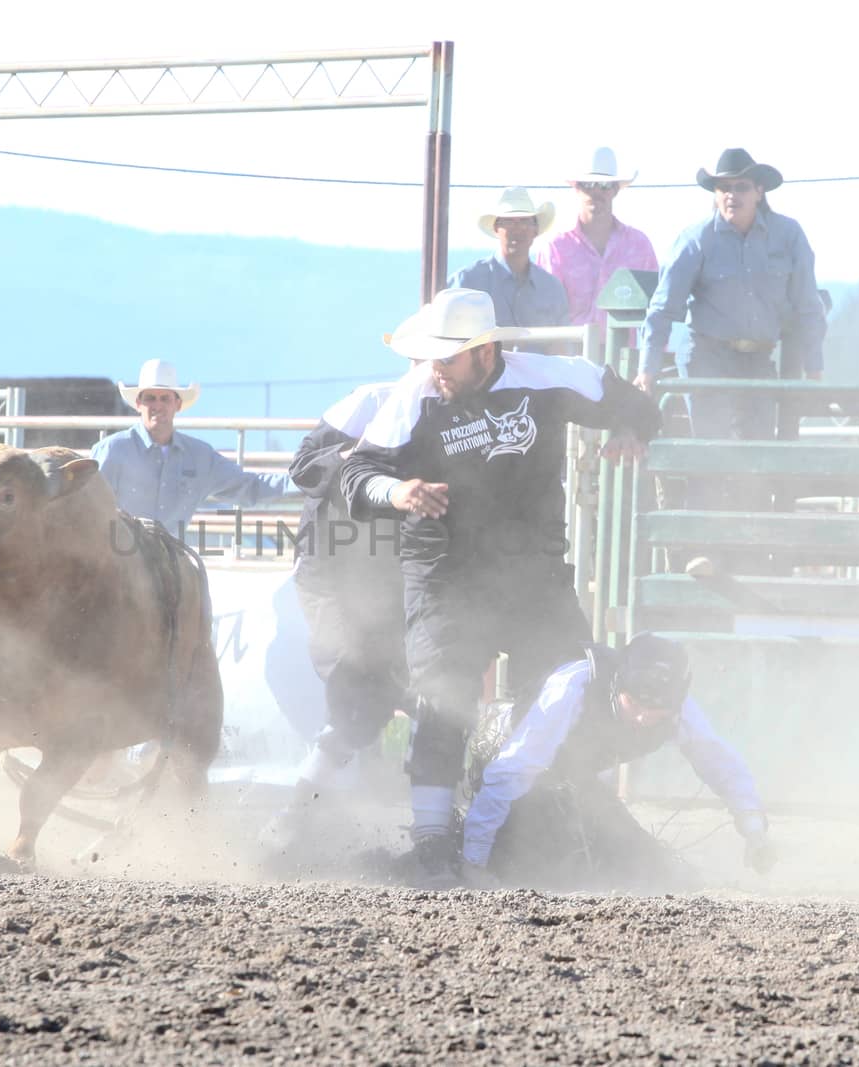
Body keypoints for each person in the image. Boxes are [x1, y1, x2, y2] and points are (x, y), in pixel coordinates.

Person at [341, 287, 661, 887]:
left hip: (534, 577)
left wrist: (630, 431)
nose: (436, 370)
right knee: (443, 697)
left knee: (571, 688)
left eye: (449, 358)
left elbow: (636, 403)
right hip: (446, 578)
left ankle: (556, 819)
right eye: (433, 357)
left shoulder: (545, 378)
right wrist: (400, 491)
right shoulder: (416, 398)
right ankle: (433, 842)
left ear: (485, 353)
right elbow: (358, 473)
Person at [459, 634, 775, 891]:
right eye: (634, 703)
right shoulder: (572, 687)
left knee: (657, 874)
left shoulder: (679, 709)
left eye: (657, 713)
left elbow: (720, 765)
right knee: (542, 868)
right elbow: (511, 770)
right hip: (504, 770)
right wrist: (474, 860)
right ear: (617, 686)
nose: (642, 717)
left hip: (572, 782)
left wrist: (755, 832)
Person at [640, 148, 828, 572]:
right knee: (711, 449)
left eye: (740, 187)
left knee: (758, 452)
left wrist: (814, 371)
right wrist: (647, 371)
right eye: (723, 188)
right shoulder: (696, 239)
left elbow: (808, 305)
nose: (731, 195)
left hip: (759, 359)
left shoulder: (788, 236)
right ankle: (703, 550)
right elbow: (663, 308)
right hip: (708, 355)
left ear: (759, 191)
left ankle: (751, 552)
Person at [259, 382, 408, 853]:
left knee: (375, 690)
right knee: (353, 677)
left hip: (386, 579)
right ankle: (308, 812)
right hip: (327, 569)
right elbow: (304, 466)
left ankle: (320, 811)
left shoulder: (440, 413)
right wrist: (353, 457)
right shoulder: (373, 401)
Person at [90, 358, 298, 539]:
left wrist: (303, 482)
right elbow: (90, 508)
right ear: (138, 404)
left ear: (177, 405)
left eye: (165, 398)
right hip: (119, 564)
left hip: (168, 564)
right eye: (150, 398)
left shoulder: (199, 457)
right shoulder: (112, 450)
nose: (157, 405)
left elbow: (249, 485)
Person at [533, 147, 660, 328]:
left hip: (625, 355)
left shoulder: (639, 245)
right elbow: (543, 313)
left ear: (615, 190)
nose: (596, 192)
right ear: (577, 188)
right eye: (588, 185)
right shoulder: (555, 248)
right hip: (568, 354)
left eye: (604, 185)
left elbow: (658, 309)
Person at [447, 186, 569, 329]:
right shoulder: (467, 282)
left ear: (535, 230)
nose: (517, 228)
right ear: (496, 228)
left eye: (524, 221)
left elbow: (561, 346)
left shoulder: (552, 288)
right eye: (508, 221)